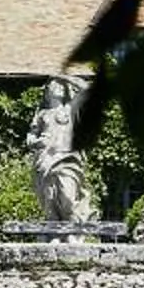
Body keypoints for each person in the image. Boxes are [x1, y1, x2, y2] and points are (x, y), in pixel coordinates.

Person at [27, 76, 94, 225]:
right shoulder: (42, 114)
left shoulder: (70, 108)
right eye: (54, 85)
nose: (58, 86)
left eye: (61, 85)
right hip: (46, 159)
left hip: (67, 159)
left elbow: (87, 89)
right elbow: (30, 137)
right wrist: (37, 142)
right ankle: (54, 232)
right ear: (47, 92)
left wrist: (64, 76)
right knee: (49, 200)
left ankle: (73, 228)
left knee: (68, 198)